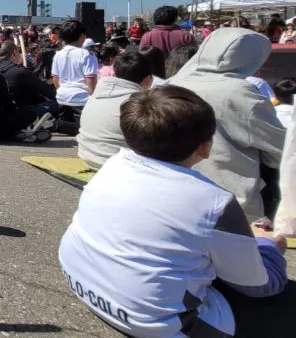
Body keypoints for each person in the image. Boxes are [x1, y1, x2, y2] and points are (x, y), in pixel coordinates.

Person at [59, 86, 288, 338]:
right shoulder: (215, 202)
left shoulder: (112, 165)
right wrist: (268, 247)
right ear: (205, 147)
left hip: (83, 282)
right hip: (157, 321)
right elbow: (258, 286)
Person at [168, 28, 285, 219]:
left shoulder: (170, 83)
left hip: (177, 199)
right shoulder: (240, 92)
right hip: (230, 203)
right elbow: (280, 150)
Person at [76, 51, 153, 169]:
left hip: (86, 156)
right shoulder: (139, 103)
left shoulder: (96, 94)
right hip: (117, 165)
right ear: (147, 80)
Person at [51, 19, 99, 108]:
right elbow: (90, 80)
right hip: (82, 100)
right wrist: (94, 98)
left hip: (62, 99)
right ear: (82, 35)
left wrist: (62, 92)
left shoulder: (58, 54)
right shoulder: (87, 54)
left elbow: (55, 79)